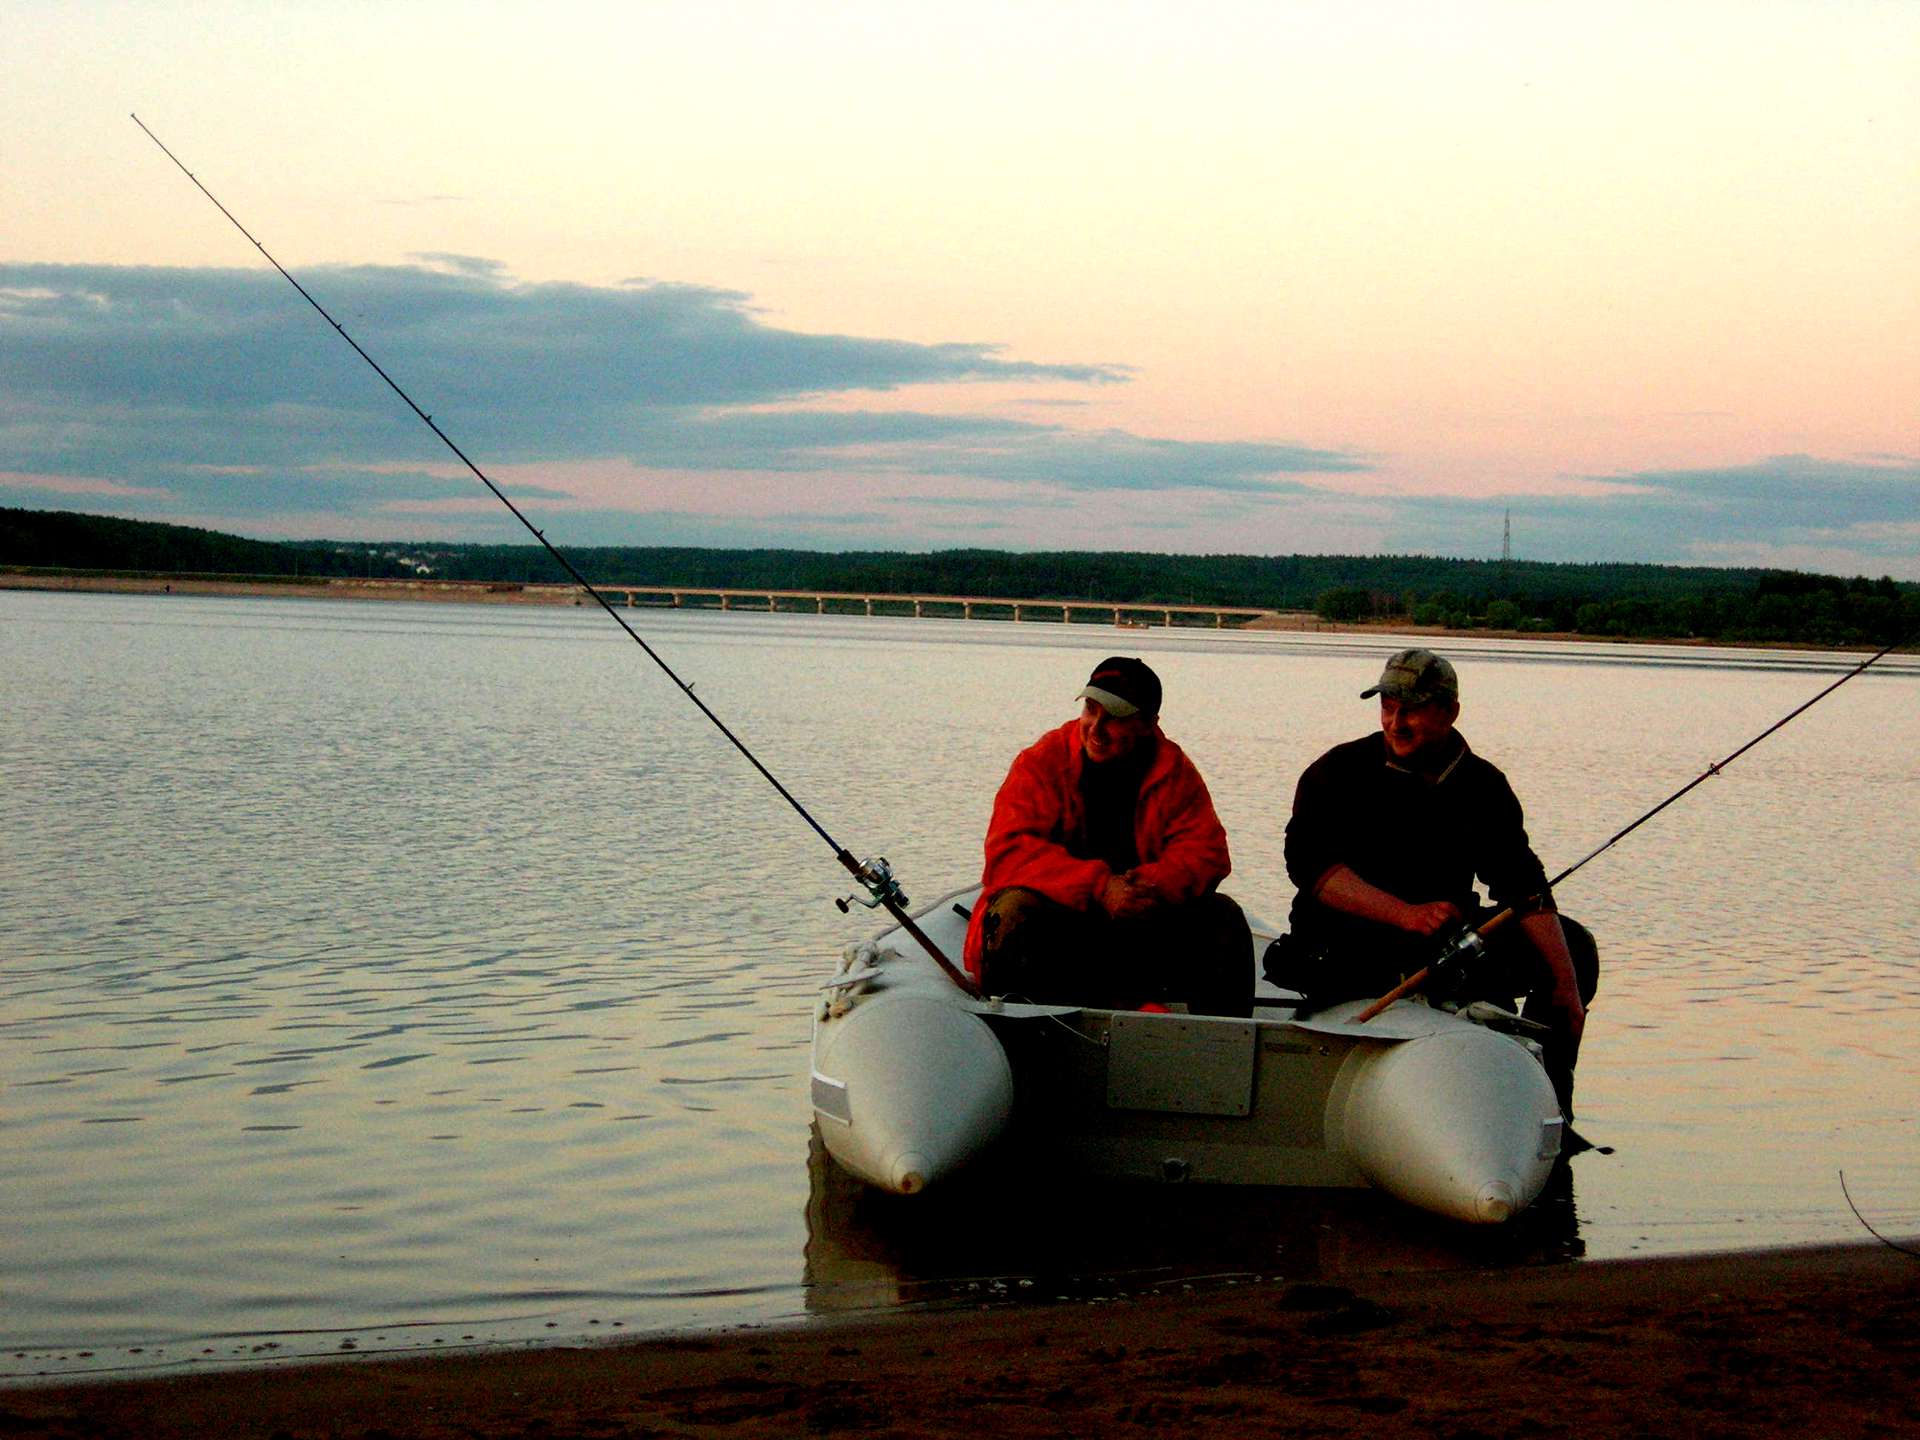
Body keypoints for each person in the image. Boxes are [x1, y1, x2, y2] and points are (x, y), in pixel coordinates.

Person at [1268, 648, 1597, 1119]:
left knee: (1575, 947)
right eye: (1387, 707)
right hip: (1344, 938)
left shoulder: (1483, 784)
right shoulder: (1338, 770)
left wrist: (1565, 984)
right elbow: (1310, 867)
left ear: (1449, 712)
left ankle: (1549, 1100)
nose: (1396, 723)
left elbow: (1520, 882)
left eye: (1412, 709)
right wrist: (1404, 913)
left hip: (1444, 942)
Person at [963, 656, 1253, 1017]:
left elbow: (1207, 853)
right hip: (1059, 924)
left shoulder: (1174, 770)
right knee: (1013, 912)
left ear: (1148, 724)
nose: (1096, 728)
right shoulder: (1040, 762)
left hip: (1137, 922)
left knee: (1223, 916)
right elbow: (1008, 854)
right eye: (1090, 709)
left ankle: (1218, 1049)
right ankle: (1021, 1038)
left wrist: (1143, 886)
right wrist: (1101, 887)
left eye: (1114, 717)